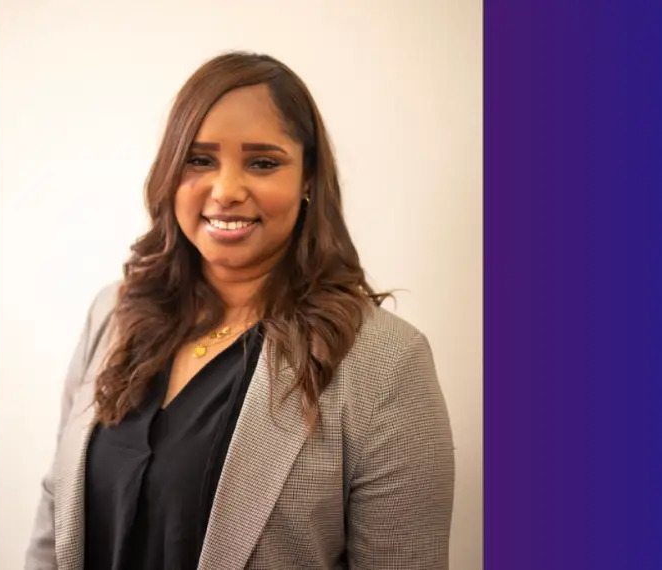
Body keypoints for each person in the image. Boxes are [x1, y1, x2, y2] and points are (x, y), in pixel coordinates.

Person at [26, 51, 454, 570]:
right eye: (199, 160)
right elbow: (56, 517)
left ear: (308, 180)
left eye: (263, 163)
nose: (226, 191)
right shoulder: (113, 314)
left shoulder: (386, 361)